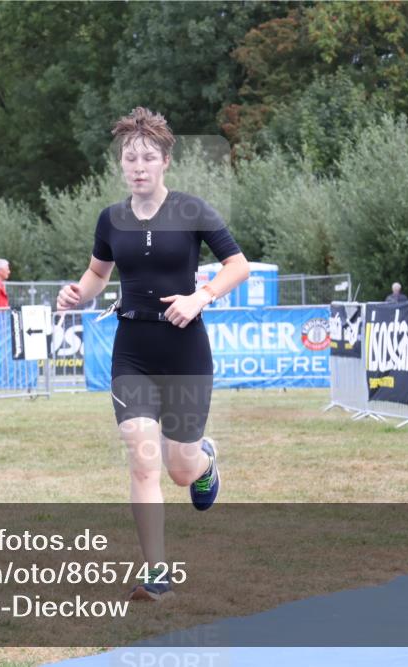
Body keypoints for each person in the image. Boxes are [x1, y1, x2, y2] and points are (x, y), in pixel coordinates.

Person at [56, 107, 249, 602]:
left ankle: (204, 461)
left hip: (184, 349)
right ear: (121, 165)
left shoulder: (193, 210)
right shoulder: (111, 219)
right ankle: (157, 574)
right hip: (133, 351)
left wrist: (200, 297)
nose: (137, 166)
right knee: (142, 460)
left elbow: (237, 265)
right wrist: (78, 294)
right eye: (129, 158)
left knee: (178, 468)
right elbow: (98, 275)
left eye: (147, 157)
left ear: (165, 161)